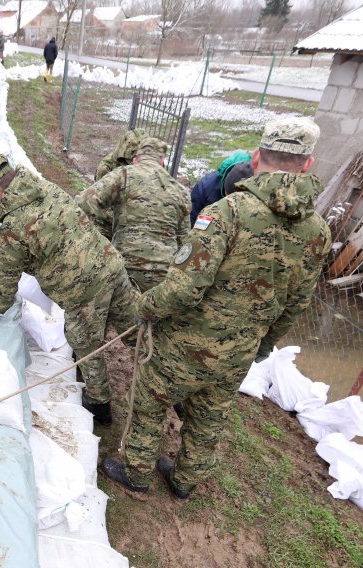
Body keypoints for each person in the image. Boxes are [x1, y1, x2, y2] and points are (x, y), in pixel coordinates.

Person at [100, 117, 331, 499]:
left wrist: (145, 307)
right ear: (307, 164)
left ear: (256, 158)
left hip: (187, 343)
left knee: (149, 399)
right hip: (240, 348)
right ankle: (184, 480)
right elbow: (296, 303)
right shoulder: (318, 232)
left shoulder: (226, 213)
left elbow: (185, 287)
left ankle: (137, 472)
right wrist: (261, 344)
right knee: (210, 413)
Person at [0, 154, 138, 425]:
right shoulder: (47, 188)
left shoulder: (12, 228)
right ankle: (167, 379)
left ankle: (99, 406)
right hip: (110, 264)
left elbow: (5, 276)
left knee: (85, 343)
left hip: (84, 289)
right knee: (134, 328)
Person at [78, 137, 190, 292]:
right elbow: (185, 244)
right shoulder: (181, 192)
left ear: (136, 159)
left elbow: (85, 201)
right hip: (163, 278)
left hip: (125, 271)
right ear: (162, 161)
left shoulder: (124, 174)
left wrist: (98, 239)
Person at [190, 150, 254, 226]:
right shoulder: (204, 187)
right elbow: (193, 217)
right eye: (227, 196)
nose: (230, 202)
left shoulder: (257, 188)